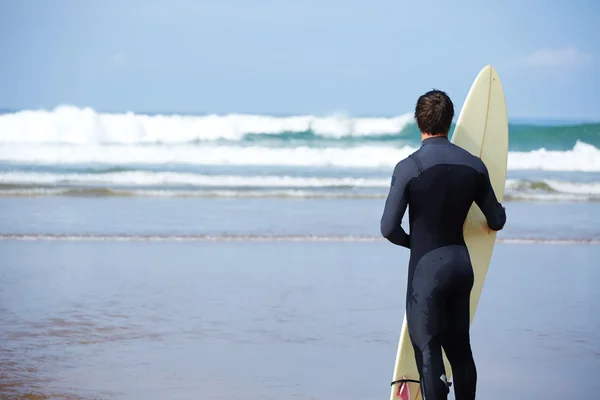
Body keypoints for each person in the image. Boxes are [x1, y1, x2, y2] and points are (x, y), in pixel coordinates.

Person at [380, 89, 506, 400]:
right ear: (449, 122)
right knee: (460, 349)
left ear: (417, 122)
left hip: (427, 270)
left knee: (428, 351)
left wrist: (416, 244)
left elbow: (388, 228)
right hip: (462, 266)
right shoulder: (475, 166)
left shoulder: (409, 167)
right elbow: (496, 220)